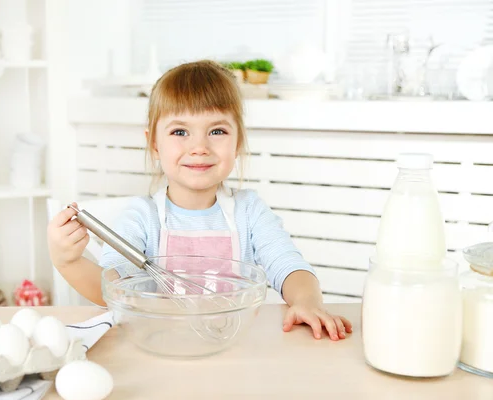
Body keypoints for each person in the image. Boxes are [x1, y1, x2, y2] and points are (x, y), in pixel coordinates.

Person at [48, 60, 352, 341]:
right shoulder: (142, 217)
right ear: (154, 143)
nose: (199, 147)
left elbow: (289, 267)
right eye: (180, 131)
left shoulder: (249, 211)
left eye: (216, 131)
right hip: (162, 346)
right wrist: (68, 261)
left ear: (238, 143)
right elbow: (113, 288)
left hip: (233, 347)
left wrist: (306, 302)